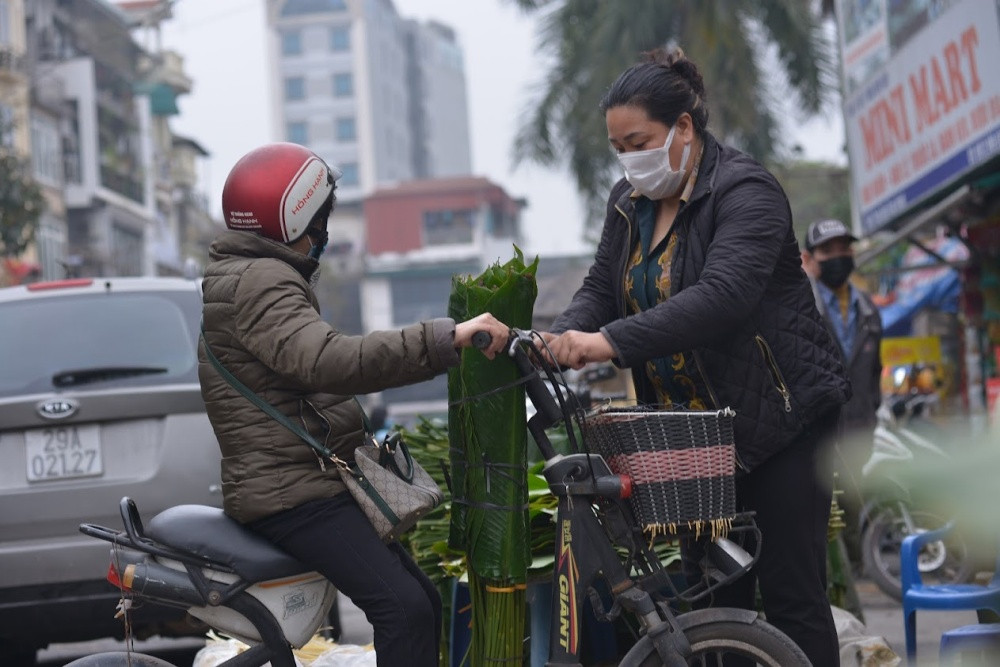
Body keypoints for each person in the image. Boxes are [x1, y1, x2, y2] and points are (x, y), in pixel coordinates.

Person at [542, 48, 851, 667]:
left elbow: (723, 296)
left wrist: (610, 342)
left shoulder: (746, 190)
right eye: (619, 147)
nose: (630, 159)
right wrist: (564, 336)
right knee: (712, 602)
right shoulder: (628, 203)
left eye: (640, 141)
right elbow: (603, 286)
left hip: (781, 425)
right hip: (696, 443)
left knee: (792, 598)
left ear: (684, 126)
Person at [197, 142, 510, 667]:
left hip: (306, 484)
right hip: (293, 495)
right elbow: (329, 361)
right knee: (404, 611)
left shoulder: (248, 275)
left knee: (422, 602)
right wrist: (444, 339)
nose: (323, 233)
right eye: (320, 219)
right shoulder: (261, 281)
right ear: (296, 220)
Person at [801, 218, 883, 562]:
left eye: (843, 249)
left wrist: (870, 411)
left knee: (854, 499)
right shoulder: (802, 305)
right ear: (809, 258)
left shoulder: (868, 309)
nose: (838, 257)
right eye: (827, 251)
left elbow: (875, 369)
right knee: (820, 507)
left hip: (860, 424)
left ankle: (861, 568)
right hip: (819, 427)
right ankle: (839, 571)